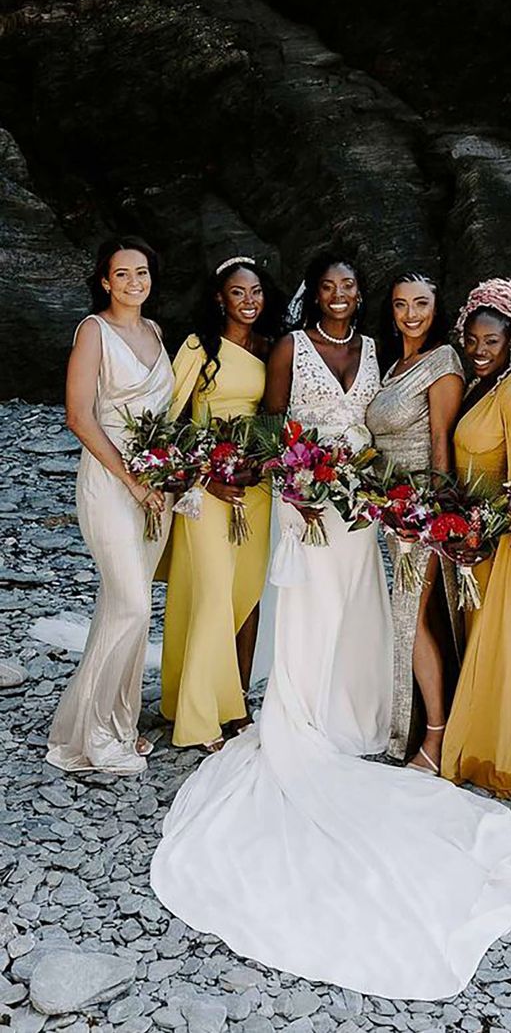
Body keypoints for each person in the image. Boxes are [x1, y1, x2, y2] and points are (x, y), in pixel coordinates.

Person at [150, 254, 511, 1001]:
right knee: (310, 611)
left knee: (374, 619)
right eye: (329, 286)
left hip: (373, 511)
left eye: (353, 287)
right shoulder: (297, 346)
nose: (342, 296)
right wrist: (290, 482)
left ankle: (377, 719)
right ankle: (306, 713)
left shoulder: (382, 353)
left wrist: (421, 509)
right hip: (310, 505)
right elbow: (271, 423)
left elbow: (422, 440)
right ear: (316, 293)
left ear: (365, 296)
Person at [47, 237, 173, 775]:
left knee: (126, 607)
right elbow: (79, 416)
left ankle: (117, 720)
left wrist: (169, 476)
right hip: (109, 482)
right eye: (122, 274)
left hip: (157, 487)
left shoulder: (155, 332)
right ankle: (91, 738)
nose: (133, 282)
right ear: (105, 281)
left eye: (141, 273)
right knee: (133, 605)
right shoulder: (93, 332)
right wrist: (132, 480)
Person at [160, 255, 285, 751]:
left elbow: (273, 417)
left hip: (254, 487)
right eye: (238, 293)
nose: (249, 301)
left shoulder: (268, 347)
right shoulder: (198, 347)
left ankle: (230, 701)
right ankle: (198, 719)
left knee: (244, 592)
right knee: (210, 592)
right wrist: (204, 474)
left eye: (256, 292)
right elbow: (170, 423)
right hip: (205, 488)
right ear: (219, 298)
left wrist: (261, 462)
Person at [441, 279, 511, 795]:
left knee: (497, 648)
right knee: (473, 643)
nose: (480, 351)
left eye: (492, 342)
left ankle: (496, 755)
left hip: (503, 548)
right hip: (472, 543)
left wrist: (485, 531)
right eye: (473, 340)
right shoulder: (474, 386)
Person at [366, 272, 464, 770]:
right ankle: (403, 726)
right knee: (407, 619)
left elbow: (442, 442)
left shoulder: (442, 362)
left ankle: (435, 738)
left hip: (419, 512)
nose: (411, 314)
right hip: (390, 507)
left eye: (421, 303)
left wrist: (434, 514)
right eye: (401, 304)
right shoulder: (394, 364)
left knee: (410, 620)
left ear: (435, 306)